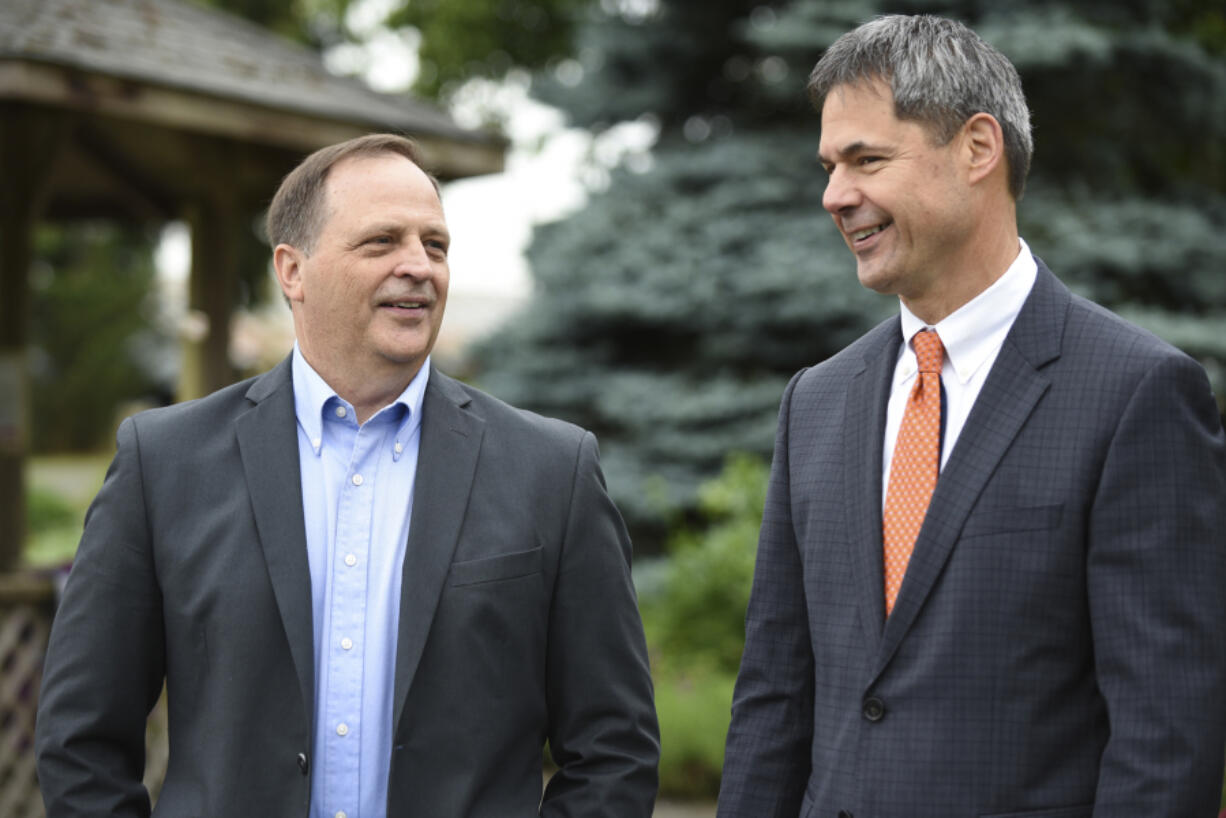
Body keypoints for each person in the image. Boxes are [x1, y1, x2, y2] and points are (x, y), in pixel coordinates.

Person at [35, 134, 660, 817]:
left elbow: (613, 747)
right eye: (382, 241)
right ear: (292, 271)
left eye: (436, 245)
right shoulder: (163, 462)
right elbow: (81, 739)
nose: (418, 266)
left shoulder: (553, 470)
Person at [718, 14, 1226, 818]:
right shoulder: (813, 402)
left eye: (867, 160)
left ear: (978, 148)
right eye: (828, 166)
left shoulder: (1139, 394)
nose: (833, 194)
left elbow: (1166, 738)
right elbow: (775, 698)